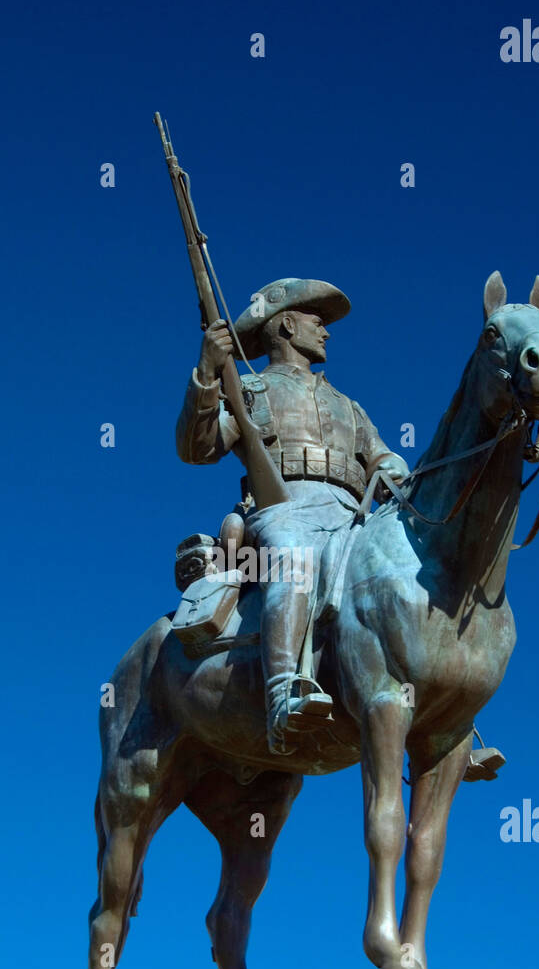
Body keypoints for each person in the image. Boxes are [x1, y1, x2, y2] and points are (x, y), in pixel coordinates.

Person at [175, 277, 410, 755]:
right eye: (316, 322)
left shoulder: (349, 406)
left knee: (411, 568)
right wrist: (206, 370)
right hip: (284, 510)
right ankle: (282, 693)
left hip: (352, 513)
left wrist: (393, 470)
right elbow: (196, 449)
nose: (326, 333)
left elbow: (381, 456)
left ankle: (443, 712)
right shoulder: (252, 390)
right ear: (285, 325)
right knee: (293, 557)